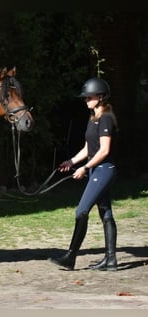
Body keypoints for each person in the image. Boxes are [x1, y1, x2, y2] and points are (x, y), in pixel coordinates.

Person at [48, 77, 118, 271]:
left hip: (104, 170)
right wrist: (71, 161)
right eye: (85, 97)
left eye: (89, 97)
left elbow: (104, 150)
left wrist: (85, 168)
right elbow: (89, 148)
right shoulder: (93, 118)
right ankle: (111, 260)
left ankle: (70, 257)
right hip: (98, 169)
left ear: (101, 96)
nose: (86, 100)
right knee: (106, 213)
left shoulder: (106, 118)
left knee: (82, 211)